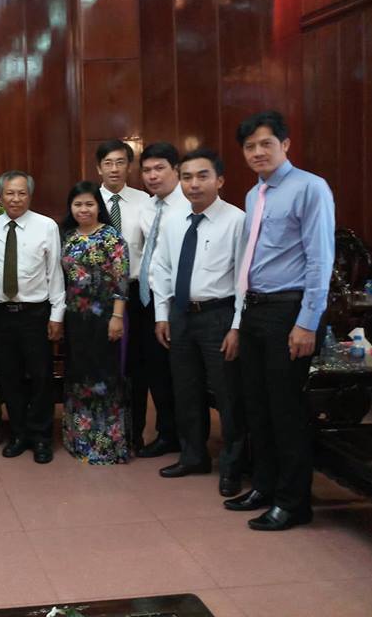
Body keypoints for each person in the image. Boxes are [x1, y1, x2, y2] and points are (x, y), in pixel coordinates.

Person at [226, 111, 334, 531]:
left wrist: (307, 322)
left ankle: (293, 502)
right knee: (258, 406)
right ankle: (264, 486)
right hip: (255, 309)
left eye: (266, 143)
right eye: (250, 146)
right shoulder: (254, 195)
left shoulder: (310, 188)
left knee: (286, 409)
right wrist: (239, 319)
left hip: (288, 311)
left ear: (285, 144)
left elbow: (320, 259)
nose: (257, 152)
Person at [152, 149, 247, 497]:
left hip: (219, 315)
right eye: (187, 177)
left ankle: (233, 465)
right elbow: (161, 267)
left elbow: (245, 279)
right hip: (180, 315)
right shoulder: (174, 220)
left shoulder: (237, 220)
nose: (194, 184)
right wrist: (162, 315)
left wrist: (237, 326)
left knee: (227, 393)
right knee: (186, 389)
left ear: (219, 180)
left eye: (202, 176)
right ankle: (193, 455)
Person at [95, 140, 169, 455]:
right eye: (108, 163)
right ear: (98, 167)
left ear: (129, 166)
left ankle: (133, 433)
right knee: (103, 366)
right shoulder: (87, 201)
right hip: (98, 298)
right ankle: (102, 434)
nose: (114, 169)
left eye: (120, 162)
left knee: (139, 369)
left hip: (137, 295)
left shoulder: (145, 202)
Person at [0, 170, 65, 464]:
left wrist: (57, 315)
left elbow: (55, 272)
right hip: (2, 314)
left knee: (41, 377)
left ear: (30, 195)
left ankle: (42, 436)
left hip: (36, 313)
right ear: (0, 196)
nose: (16, 199)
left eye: (22, 193)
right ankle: (19, 433)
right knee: (9, 377)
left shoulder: (46, 226)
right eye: (10, 193)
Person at [59, 181, 130, 465]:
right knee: (78, 378)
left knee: (103, 378)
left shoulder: (112, 237)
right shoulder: (67, 237)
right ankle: (78, 441)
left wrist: (117, 317)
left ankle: (106, 446)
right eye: (78, 204)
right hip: (75, 319)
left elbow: (121, 280)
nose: (84, 209)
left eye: (89, 204)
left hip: (105, 318)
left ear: (98, 206)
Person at [133, 143, 188, 458]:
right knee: (156, 371)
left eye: (159, 169)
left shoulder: (189, 204)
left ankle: (187, 438)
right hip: (150, 298)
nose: (152, 176)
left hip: (180, 301)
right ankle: (167, 433)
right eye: (147, 170)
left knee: (181, 373)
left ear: (175, 170)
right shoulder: (148, 207)